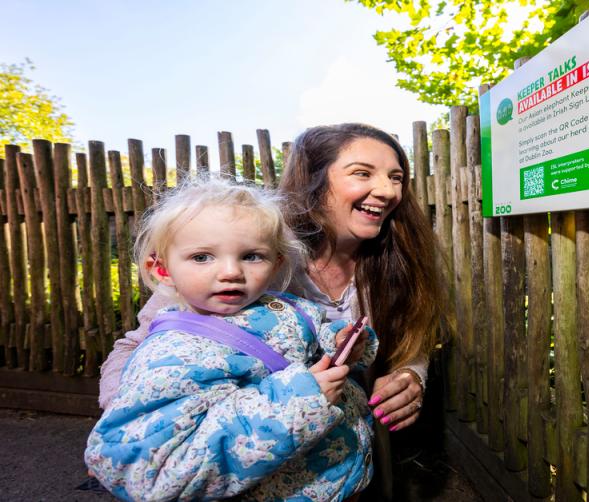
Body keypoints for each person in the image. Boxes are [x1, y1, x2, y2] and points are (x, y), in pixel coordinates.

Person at [98, 123, 449, 498]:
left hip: (343, 466)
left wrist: (412, 374)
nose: (388, 190)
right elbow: (138, 352)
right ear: (314, 181)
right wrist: (148, 431)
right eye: (363, 173)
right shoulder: (238, 254)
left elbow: (414, 334)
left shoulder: (396, 259)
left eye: (396, 177)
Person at [86, 178, 379, 501]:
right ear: (162, 268)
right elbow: (156, 477)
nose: (231, 272)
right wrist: (301, 400)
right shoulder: (170, 357)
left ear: (276, 262)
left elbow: (311, 339)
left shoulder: (285, 308)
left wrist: (341, 344)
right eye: (202, 257)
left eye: (252, 256)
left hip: (340, 483)